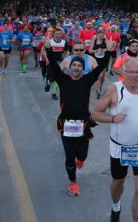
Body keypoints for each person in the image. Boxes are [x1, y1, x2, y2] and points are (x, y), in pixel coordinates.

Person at [92, 58, 138, 222]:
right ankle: (116, 206)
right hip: (120, 147)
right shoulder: (114, 90)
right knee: (118, 182)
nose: (135, 76)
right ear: (123, 73)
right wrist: (113, 118)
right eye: (130, 72)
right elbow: (96, 113)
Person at [44, 38, 107, 197]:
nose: (77, 67)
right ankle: (73, 183)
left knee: (82, 156)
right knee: (69, 157)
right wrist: (48, 49)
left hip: (84, 125)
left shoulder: (87, 80)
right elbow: (53, 63)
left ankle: (80, 159)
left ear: (82, 68)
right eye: (74, 65)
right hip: (66, 125)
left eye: (79, 65)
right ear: (70, 67)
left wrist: (111, 52)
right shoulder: (63, 79)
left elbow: (101, 67)